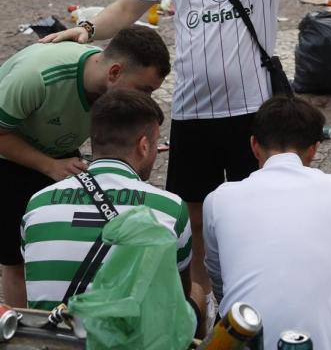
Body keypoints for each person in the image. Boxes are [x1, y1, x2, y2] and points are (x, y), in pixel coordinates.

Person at [43, 0, 331, 308]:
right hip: (196, 109)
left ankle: (250, 297)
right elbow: (130, 6)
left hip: (252, 108)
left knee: (254, 213)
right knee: (193, 216)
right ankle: (199, 304)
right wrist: (84, 30)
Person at [0, 27, 170, 308]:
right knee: (15, 260)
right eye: (145, 90)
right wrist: (50, 166)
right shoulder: (37, 78)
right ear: (114, 73)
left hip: (59, 153)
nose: (146, 100)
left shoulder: (107, 85)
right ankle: (23, 331)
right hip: (8, 156)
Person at [20, 89, 203, 334]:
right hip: (124, 341)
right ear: (144, 146)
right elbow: (176, 297)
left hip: (52, 338)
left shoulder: (38, 203)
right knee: (198, 294)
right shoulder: (169, 207)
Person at [204, 96, 331, 350]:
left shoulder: (219, 199)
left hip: (244, 336)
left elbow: (220, 283)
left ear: (254, 145)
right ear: (314, 149)